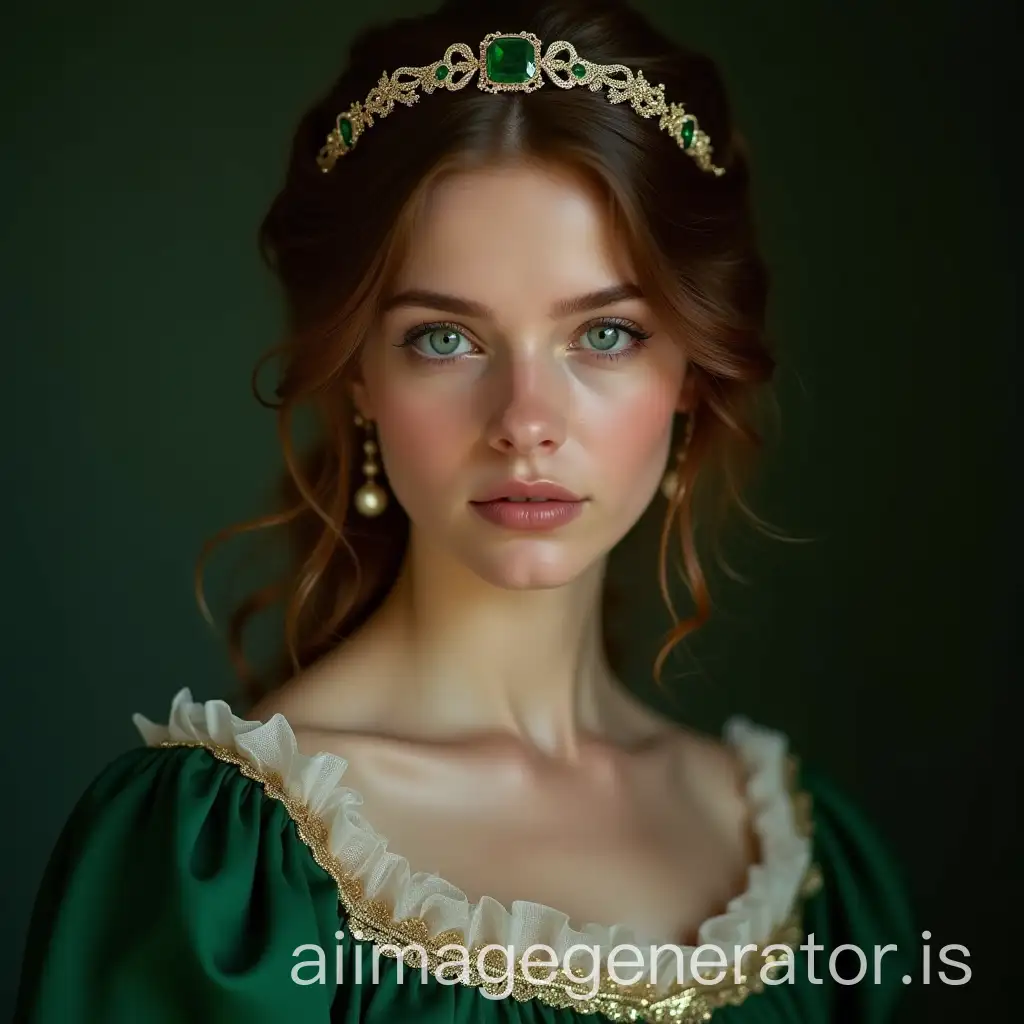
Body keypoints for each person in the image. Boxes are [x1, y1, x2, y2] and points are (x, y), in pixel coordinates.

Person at [15, 0, 918, 1020]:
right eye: (444, 339)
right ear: (358, 374)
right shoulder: (220, 873)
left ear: (690, 372)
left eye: (606, 335)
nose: (525, 421)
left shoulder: (816, 872)